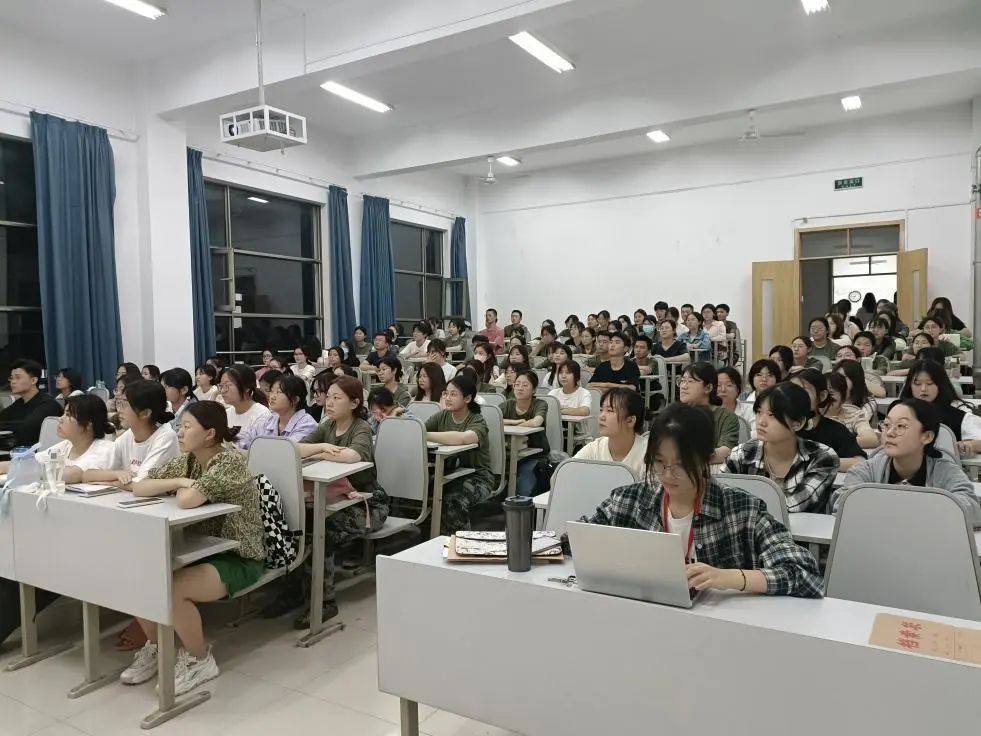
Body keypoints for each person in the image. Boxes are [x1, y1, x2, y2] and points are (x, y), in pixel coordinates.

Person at [583, 403, 822, 597]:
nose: (668, 474)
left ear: (706, 459)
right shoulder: (629, 500)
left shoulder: (742, 510)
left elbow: (805, 574)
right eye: (659, 462)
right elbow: (579, 538)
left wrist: (730, 577)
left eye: (681, 465)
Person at [120, 402, 266, 695]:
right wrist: (179, 480)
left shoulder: (229, 462)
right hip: (201, 549)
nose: (180, 433)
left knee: (174, 589)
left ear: (210, 433)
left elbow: (187, 501)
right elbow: (140, 485)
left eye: (187, 427)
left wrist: (179, 487)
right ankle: (157, 648)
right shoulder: (188, 461)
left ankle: (200, 660)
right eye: (180, 426)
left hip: (239, 556)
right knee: (135, 575)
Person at [276, 376, 392, 626]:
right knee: (297, 524)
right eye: (328, 396)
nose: (329, 402)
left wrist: (321, 451)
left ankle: (323, 602)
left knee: (322, 530)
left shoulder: (361, 427)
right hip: (335, 499)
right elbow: (295, 449)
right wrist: (322, 447)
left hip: (368, 504)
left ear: (354, 403)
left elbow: (352, 456)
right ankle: (295, 592)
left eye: (336, 398)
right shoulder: (327, 426)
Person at [835, 399, 980, 524]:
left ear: (927, 436)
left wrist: (905, 503)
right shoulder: (867, 469)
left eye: (901, 426)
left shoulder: (946, 471)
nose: (889, 433)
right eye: (887, 424)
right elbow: (842, 503)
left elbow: (972, 509)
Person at [723, 383, 839, 513]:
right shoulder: (742, 454)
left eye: (772, 415)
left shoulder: (821, 457)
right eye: (759, 412)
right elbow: (719, 496)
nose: (761, 422)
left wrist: (742, 507)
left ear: (798, 423)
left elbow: (792, 506)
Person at [424, 374, 495, 533]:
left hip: (479, 477)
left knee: (453, 500)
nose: (447, 398)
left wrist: (425, 435)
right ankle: (431, 539)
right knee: (422, 493)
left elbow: (465, 438)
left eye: (453, 394)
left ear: (468, 398)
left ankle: (460, 542)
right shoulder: (442, 416)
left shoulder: (477, 420)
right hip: (448, 474)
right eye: (446, 393)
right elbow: (419, 428)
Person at [83, 380, 180, 486]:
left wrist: (110, 482)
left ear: (145, 413)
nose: (119, 410)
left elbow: (141, 484)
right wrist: (116, 474)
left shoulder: (166, 437)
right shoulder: (129, 435)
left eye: (125, 405)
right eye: (119, 403)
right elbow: (88, 474)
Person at [15, 395, 115, 484]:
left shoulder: (105, 449)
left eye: (68, 415)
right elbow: (32, 461)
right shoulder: (65, 446)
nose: (60, 419)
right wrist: (12, 466)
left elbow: (71, 474)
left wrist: (23, 470)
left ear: (88, 424)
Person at [899, 359, 981, 455]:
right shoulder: (898, 411)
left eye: (930, 383)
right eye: (917, 384)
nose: (923, 389)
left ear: (940, 385)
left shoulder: (958, 417)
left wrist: (969, 445)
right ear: (909, 386)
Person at [790, 369, 866, 471]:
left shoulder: (835, 430)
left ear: (822, 396)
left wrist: (820, 462)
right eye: (790, 391)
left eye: (803, 391)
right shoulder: (780, 426)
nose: (794, 396)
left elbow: (860, 461)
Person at [574, 388, 647, 478]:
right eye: (601, 410)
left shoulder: (648, 454)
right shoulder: (595, 448)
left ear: (630, 420)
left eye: (609, 410)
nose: (601, 417)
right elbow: (568, 473)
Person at [678, 362, 739, 465]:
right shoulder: (674, 415)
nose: (683, 386)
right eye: (682, 381)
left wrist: (689, 459)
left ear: (708, 388)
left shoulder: (726, 417)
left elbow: (727, 450)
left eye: (690, 381)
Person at [235, 375, 318, 449]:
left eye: (278, 392)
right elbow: (245, 437)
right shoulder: (268, 419)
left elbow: (287, 450)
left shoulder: (307, 424)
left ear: (295, 399)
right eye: (271, 391)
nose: (272, 397)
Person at [502, 370, 550, 496]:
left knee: (523, 492)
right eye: (517, 384)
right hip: (508, 455)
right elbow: (493, 420)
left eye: (525, 385)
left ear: (533, 390)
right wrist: (514, 422)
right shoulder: (507, 404)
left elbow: (536, 422)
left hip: (534, 455)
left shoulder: (540, 404)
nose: (520, 388)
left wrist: (514, 426)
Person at [0, 359, 63, 447]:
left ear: (33, 380)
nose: (13, 382)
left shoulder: (49, 404)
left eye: (18, 377)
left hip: (41, 452)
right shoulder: (19, 403)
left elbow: (27, 427)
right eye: (11, 378)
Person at [825, 371, 878, 449]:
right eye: (822, 393)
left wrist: (837, 442)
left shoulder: (854, 415)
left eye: (831, 393)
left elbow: (871, 439)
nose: (825, 397)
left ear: (844, 396)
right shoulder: (812, 416)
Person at [221, 365, 272, 434]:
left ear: (246, 388)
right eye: (221, 386)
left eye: (227, 386)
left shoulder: (262, 415)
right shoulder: (227, 413)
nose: (223, 391)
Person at [548, 361, 592, 436]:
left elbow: (584, 411)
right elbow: (546, 410)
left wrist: (559, 410)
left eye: (568, 373)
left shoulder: (584, 393)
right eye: (561, 373)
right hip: (557, 434)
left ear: (576, 376)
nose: (563, 376)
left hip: (579, 436)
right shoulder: (553, 393)